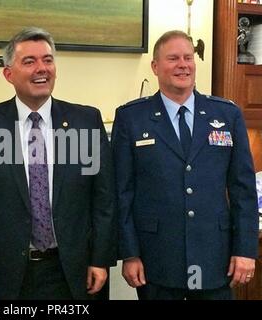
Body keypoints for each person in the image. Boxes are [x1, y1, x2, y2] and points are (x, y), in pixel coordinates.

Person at [0, 27, 116, 300]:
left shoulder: (85, 121)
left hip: (73, 273)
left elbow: (104, 199)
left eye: (48, 60)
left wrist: (100, 259)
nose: (42, 68)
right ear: (8, 74)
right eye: (29, 61)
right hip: (3, 275)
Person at [111, 30, 259, 300]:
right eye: (173, 58)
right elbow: (122, 192)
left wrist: (246, 250)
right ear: (155, 67)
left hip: (216, 258)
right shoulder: (132, 118)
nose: (183, 64)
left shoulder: (226, 114)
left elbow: (243, 190)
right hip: (157, 260)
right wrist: (129, 253)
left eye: (188, 58)